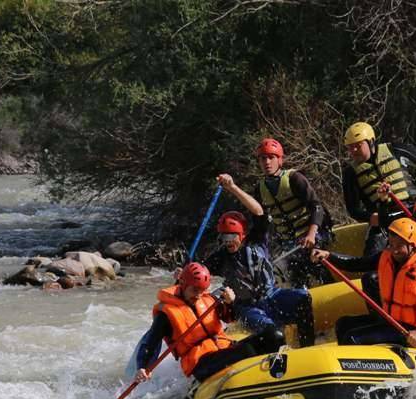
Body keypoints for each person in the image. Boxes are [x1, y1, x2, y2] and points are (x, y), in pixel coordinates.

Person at [310, 218, 416, 347]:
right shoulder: (388, 256)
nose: (395, 250)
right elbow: (357, 264)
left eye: (400, 246)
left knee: (352, 338)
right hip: (391, 320)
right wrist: (329, 256)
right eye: (391, 244)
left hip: (408, 330)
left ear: (412, 246)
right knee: (343, 324)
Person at [134, 262, 285, 384]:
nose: (199, 295)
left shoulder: (209, 300)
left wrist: (231, 302)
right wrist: (143, 366)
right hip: (200, 364)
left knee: (274, 336)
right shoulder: (166, 313)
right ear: (183, 284)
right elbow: (151, 343)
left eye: (202, 290)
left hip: (224, 349)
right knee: (248, 351)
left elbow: (231, 317)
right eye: (195, 290)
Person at [200, 201, 316, 347]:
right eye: (223, 238)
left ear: (242, 234)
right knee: (274, 333)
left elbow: (258, 211)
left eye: (231, 237)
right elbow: (198, 273)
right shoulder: (220, 257)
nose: (227, 242)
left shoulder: (257, 240)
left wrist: (231, 187)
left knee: (303, 298)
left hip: (272, 295)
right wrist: (184, 273)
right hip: (246, 308)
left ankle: (308, 348)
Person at [341, 121, 416, 256]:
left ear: (371, 142)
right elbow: (353, 210)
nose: (353, 151)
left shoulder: (395, 149)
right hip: (385, 219)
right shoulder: (350, 173)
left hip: (414, 208)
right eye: (350, 147)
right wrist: (371, 217)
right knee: (373, 252)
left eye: (358, 146)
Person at [245, 137, 333, 288]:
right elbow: (261, 225)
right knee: (294, 275)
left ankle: (331, 287)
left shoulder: (294, 178)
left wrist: (311, 234)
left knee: (317, 266)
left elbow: (316, 207)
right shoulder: (260, 189)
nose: (267, 162)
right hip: (290, 244)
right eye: (263, 158)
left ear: (280, 160)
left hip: (314, 235)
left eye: (271, 157)